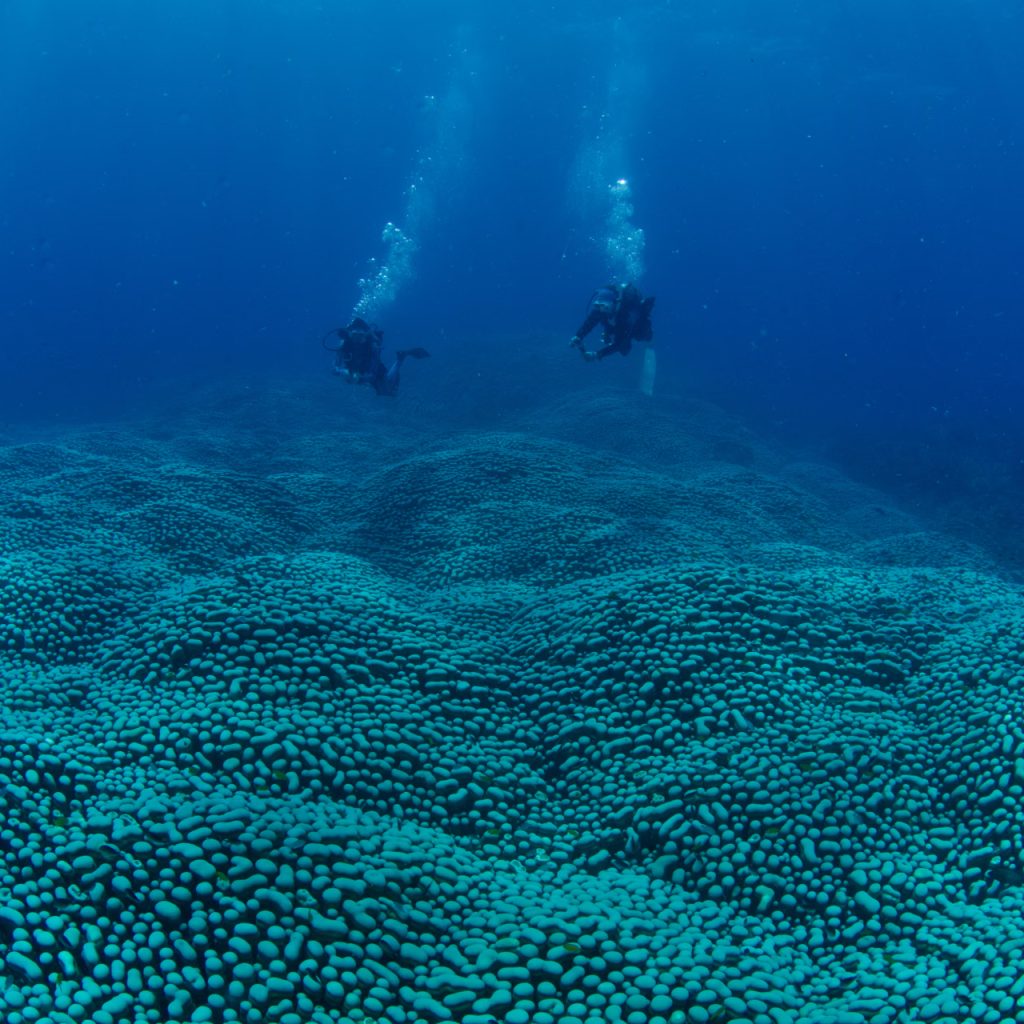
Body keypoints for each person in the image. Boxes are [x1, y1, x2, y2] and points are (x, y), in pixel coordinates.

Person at [323, 317, 429, 397]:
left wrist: (361, 379)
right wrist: (343, 372)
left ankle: (401, 358)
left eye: (360, 335)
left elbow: (373, 373)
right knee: (351, 380)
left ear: (366, 335)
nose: (357, 340)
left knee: (386, 393)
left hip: (373, 370)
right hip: (356, 372)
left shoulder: (373, 346)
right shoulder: (343, 345)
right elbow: (334, 368)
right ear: (349, 334)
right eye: (355, 335)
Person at [569, 282, 655, 362]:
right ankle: (611, 332)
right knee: (609, 330)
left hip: (630, 325)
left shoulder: (625, 315)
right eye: (598, 306)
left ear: (614, 303)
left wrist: (597, 354)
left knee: (625, 348)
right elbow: (589, 323)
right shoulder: (600, 309)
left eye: (604, 307)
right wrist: (578, 336)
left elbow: (618, 344)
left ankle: (649, 340)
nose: (601, 310)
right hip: (615, 321)